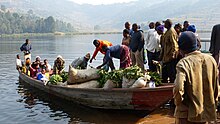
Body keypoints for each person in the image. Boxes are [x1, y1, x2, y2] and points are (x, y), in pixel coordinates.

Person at [173, 31, 219, 124]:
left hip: (187, 114)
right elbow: (216, 87)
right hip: (207, 112)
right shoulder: (211, 60)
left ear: (182, 48)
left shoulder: (183, 63)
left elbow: (178, 88)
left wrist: (179, 104)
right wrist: (212, 103)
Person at [160, 19, 179, 83]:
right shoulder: (167, 31)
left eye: (165, 23)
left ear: (168, 24)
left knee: (171, 75)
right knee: (164, 75)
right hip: (166, 57)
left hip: (170, 58)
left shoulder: (171, 32)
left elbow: (175, 45)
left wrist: (173, 54)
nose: (164, 25)